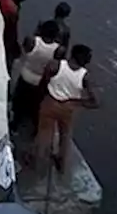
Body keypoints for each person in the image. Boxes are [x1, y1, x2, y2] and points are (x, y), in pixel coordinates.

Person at [35, 43, 98, 176]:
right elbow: (95, 102)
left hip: (50, 103)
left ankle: (38, 163)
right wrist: (76, 102)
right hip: (68, 109)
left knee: (44, 135)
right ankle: (61, 165)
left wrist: (41, 97)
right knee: (65, 137)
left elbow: (43, 82)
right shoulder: (85, 76)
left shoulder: (56, 65)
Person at [12, 19, 63, 128]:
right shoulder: (58, 50)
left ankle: (15, 124)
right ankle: (34, 128)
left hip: (26, 75)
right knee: (35, 105)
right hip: (40, 81)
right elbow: (57, 66)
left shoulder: (32, 41)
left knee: (19, 101)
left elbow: (24, 51)